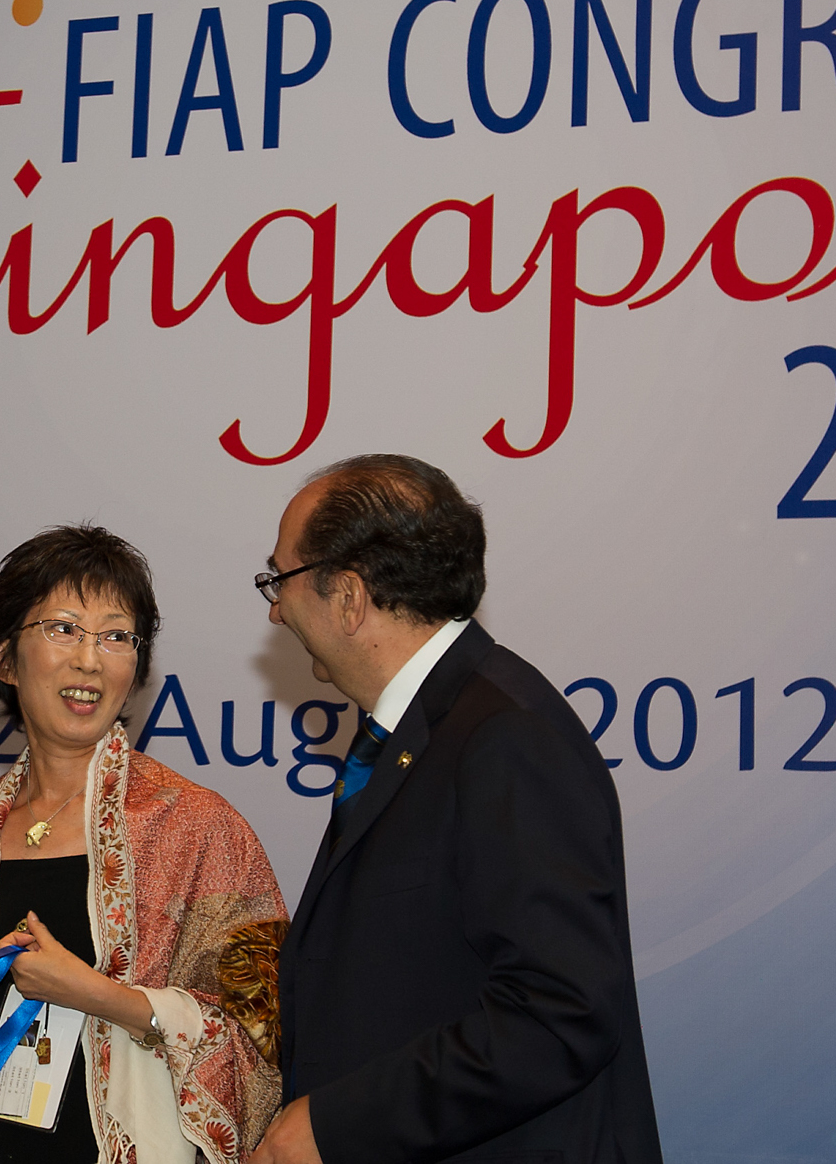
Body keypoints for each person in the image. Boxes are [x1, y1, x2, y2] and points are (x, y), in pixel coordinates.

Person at [246, 455, 664, 1164]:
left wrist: (335, 1123)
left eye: (278, 579)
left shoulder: (506, 737)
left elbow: (558, 1014)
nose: (275, 609)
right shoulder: (424, 730)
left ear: (348, 596)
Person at [0, 525, 286, 1164]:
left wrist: (100, 996)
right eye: (64, 629)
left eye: (117, 636)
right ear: (5, 659)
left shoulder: (197, 829)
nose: (90, 660)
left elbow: (263, 1035)